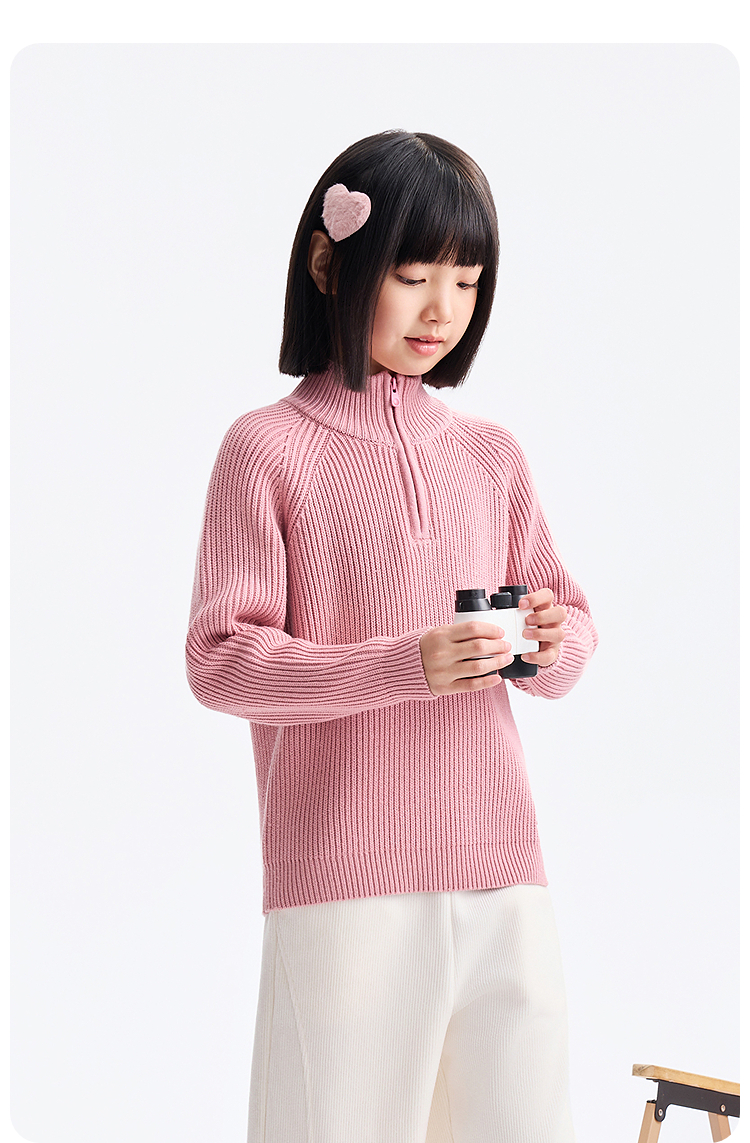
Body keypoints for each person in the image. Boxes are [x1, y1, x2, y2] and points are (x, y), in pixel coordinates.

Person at [185, 129, 598, 1143]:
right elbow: (222, 659)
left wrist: (550, 642)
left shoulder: (491, 455)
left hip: (505, 872)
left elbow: (571, 629)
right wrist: (404, 663)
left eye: (466, 280)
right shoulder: (266, 449)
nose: (442, 310)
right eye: (413, 277)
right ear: (332, 267)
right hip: (344, 880)